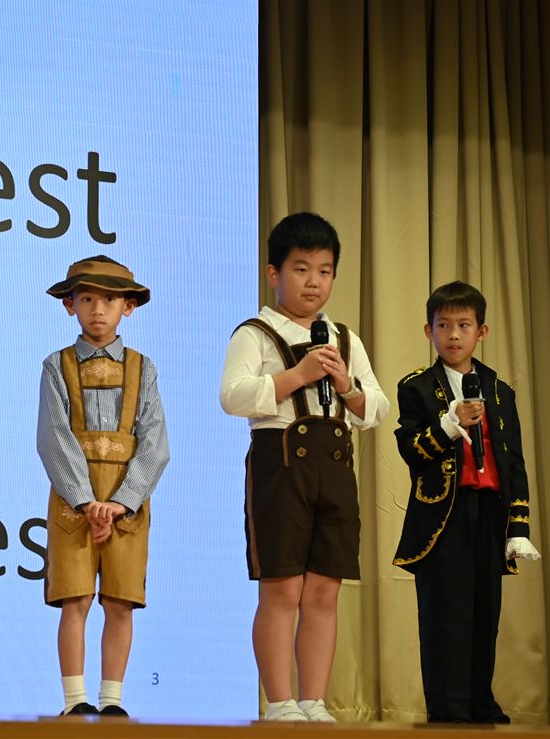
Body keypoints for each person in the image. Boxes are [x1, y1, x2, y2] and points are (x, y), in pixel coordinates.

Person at [219, 212, 389, 722]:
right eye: (301, 269)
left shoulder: (345, 338)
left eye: (324, 271)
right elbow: (233, 396)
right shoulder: (255, 332)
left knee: (323, 590)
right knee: (282, 588)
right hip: (280, 466)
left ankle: (314, 699)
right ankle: (280, 702)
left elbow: (376, 409)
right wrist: (298, 374)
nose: (313, 282)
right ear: (274, 273)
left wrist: (346, 386)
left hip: (335, 470)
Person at [393, 280, 540, 723]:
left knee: (483, 615)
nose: (453, 335)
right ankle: (448, 712)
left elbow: (513, 462)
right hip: (445, 515)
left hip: (489, 515)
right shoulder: (417, 387)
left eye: (463, 325)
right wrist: (449, 424)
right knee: (445, 618)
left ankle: (480, 705)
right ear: (429, 331)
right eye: (443, 325)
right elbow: (411, 451)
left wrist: (518, 526)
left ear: (482, 331)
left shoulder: (500, 390)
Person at [38, 255, 169, 718]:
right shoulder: (56, 365)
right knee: (75, 597)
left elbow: (155, 441)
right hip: (73, 497)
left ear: (128, 307)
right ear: (69, 304)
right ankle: (74, 700)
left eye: (110, 300)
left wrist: (121, 502)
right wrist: (85, 500)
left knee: (120, 600)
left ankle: (112, 699)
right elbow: (53, 435)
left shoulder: (143, 368)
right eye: (87, 298)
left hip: (126, 501)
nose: (98, 309)